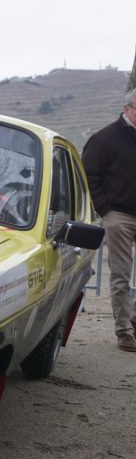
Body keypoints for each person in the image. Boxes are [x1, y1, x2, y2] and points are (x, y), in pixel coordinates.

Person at [82, 88, 136, 352]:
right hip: (119, 215)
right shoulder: (104, 139)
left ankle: (133, 318)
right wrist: (105, 211)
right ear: (127, 109)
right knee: (121, 275)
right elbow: (89, 174)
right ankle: (124, 331)